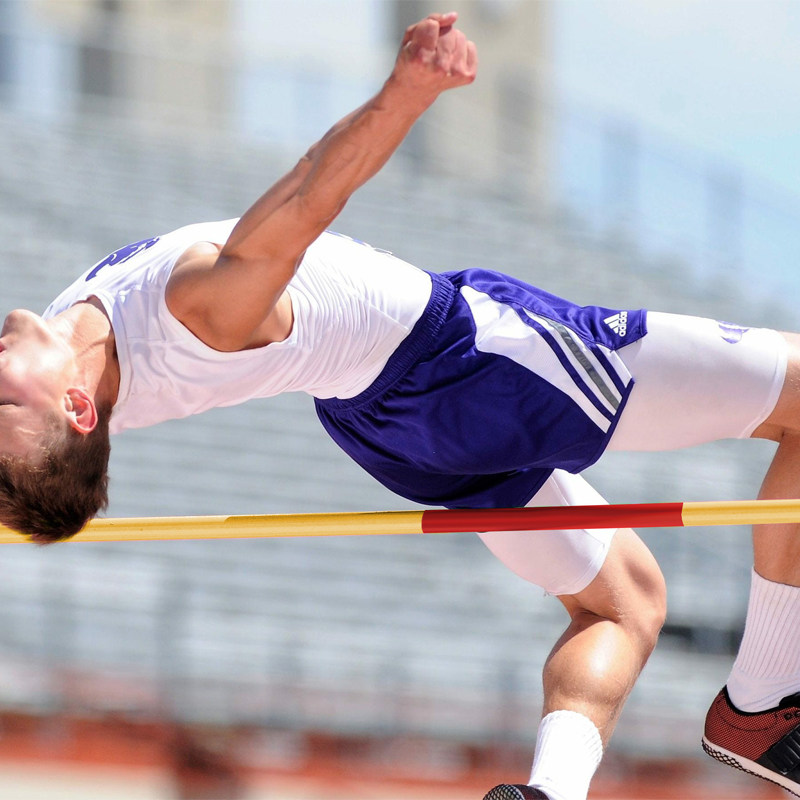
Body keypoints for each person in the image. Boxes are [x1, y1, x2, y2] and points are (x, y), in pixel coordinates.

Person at [1, 11, 799, 800]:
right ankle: (761, 702)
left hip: (386, 430)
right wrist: (407, 94)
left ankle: (550, 793)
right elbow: (311, 196)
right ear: (77, 409)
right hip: (465, 364)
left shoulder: (73, 358)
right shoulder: (194, 315)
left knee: (625, 602)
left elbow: (35, 484)